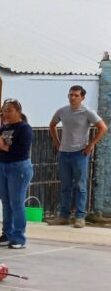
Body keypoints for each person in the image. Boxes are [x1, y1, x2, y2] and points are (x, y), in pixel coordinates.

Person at [48, 85, 108, 228]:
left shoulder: (87, 112)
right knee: (65, 185)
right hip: (64, 153)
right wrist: (57, 142)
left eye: (76, 95)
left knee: (80, 186)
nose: (73, 98)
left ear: (82, 97)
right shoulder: (62, 111)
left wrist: (91, 144)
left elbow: (103, 127)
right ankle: (64, 216)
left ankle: (80, 216)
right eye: (71, 95)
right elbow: (52, 125)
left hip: (80, 153)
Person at [0, 99, 33, 249]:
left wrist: (3, 146)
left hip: (18, 167)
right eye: (4, 111)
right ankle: (7, 233)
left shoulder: (24, 128)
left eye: (10, 111)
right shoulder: (4, 128)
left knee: (16, 202)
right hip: (2, 166)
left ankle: (19, 237)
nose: (6, 114)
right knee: (6, 203)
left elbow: (21, 150)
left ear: (18, 112)